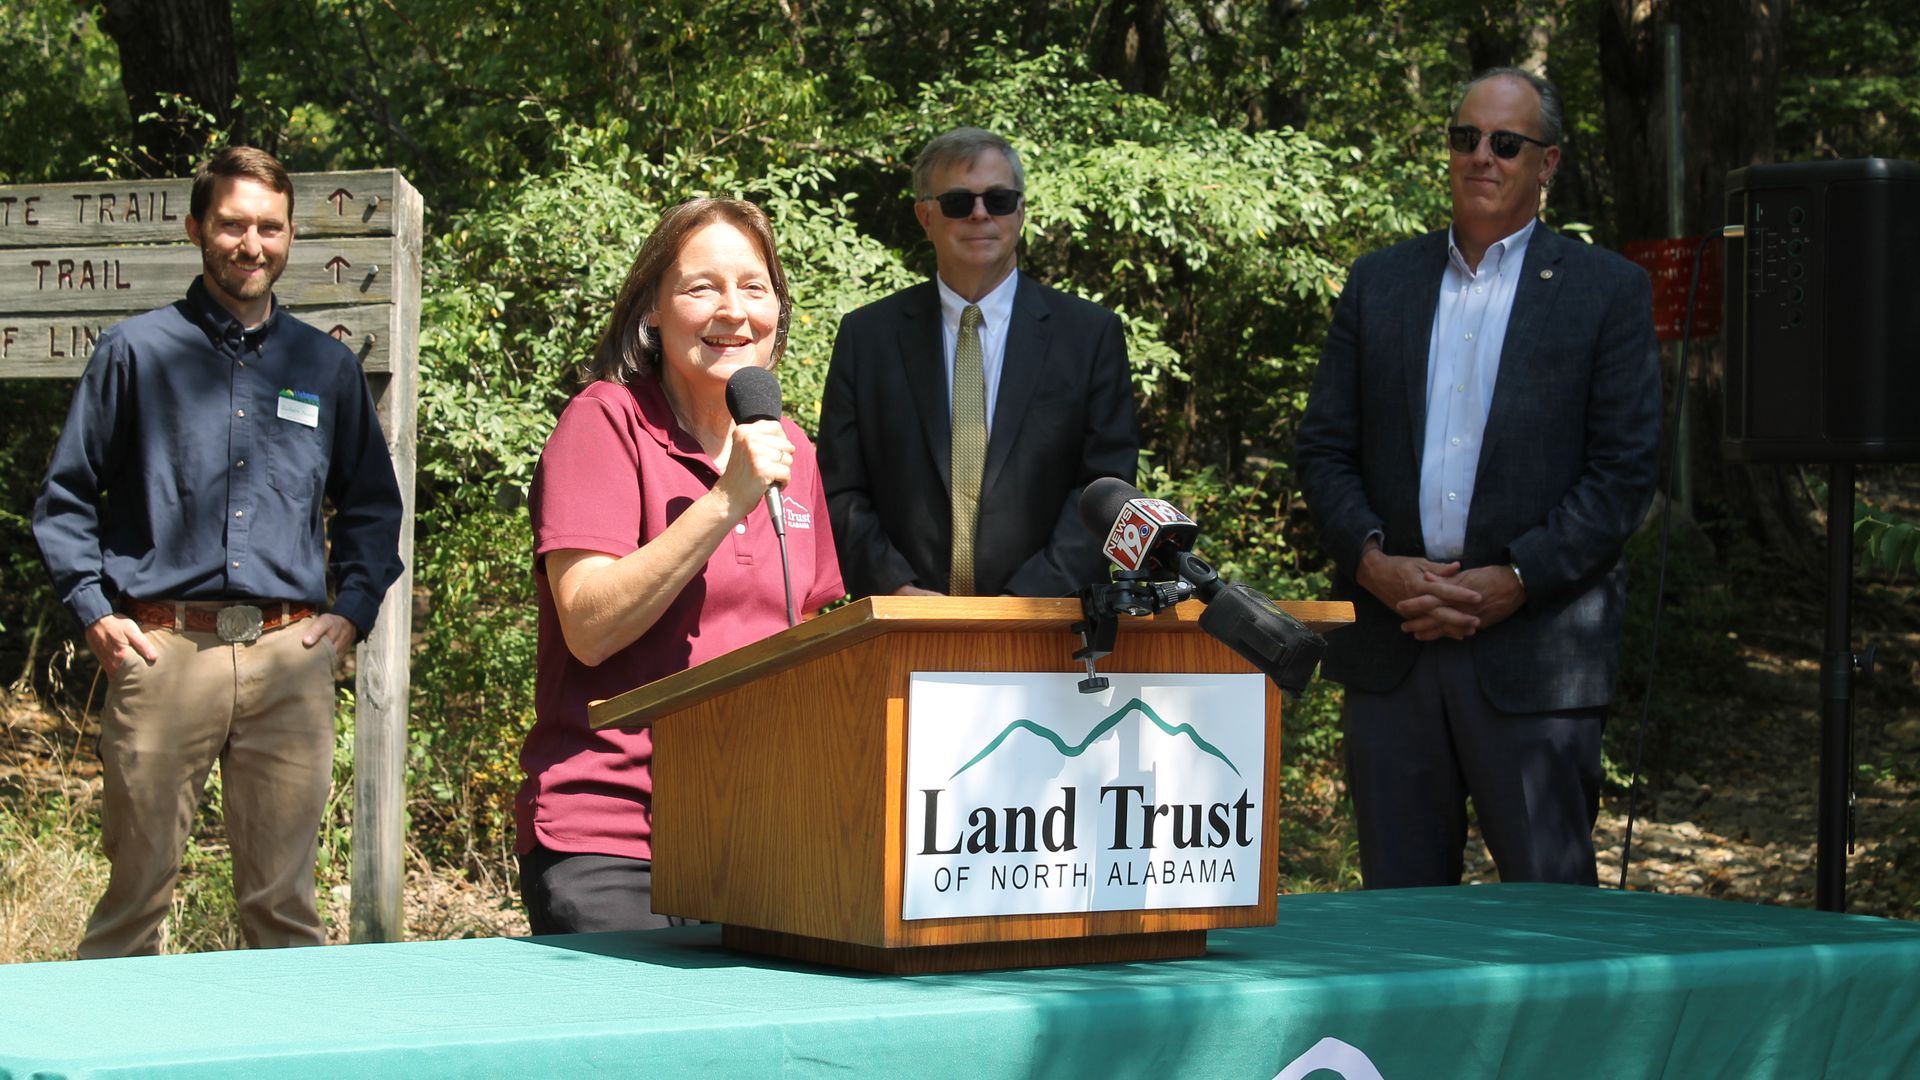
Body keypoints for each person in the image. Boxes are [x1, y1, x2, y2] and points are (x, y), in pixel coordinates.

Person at [33, 146, 405, 957]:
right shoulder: (135, 353)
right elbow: (64, 500)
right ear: (197, 227)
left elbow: (374, 509)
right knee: (135, 899)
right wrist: (95, 613)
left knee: (286, 914)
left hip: (289, 656)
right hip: (164, 650)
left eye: (269, 228)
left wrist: (350, 614)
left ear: (291, 236)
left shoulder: (326, 365)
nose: (251, 244)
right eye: (233, 225)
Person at [1294, 68, 1661, 889]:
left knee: (1551, 925)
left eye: (1506, 143)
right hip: (1394, 648)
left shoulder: (1606, 291)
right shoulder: (1379, 283)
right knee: (1403, 929)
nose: (1481, 157)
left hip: (1536, 655)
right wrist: (1374, 565)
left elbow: (1625, 471)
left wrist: (1518, 578)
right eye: (1465, 139)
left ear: (1548, 163)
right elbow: (1323, 450)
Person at [516, 198, 843, 933]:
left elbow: (814, 634)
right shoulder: (603, 423)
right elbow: (590, 626)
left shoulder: (791, 447)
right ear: (653, 310)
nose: (734, 311)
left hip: (762, 837)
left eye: (754, 288)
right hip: (616, 841)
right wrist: (729, 497)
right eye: (702, 287)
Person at [818, 127, 1138, 599]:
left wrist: (1021, 606)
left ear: (1021, 212)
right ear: (925, 216)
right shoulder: (867, 338)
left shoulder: (1090, 336)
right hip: (902, 624)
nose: (980, 214)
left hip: (1047, 631)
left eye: (1000, 199)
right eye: (957, 202)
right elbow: (838, 487)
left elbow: (1105, 489)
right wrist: (898, 590)